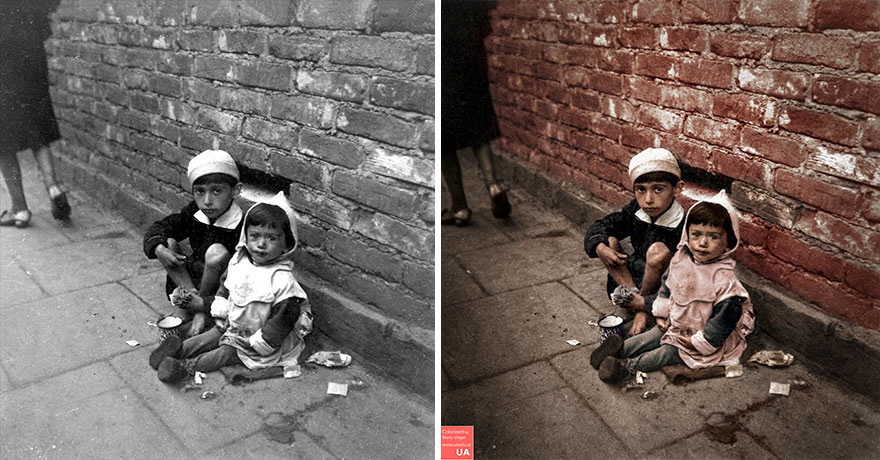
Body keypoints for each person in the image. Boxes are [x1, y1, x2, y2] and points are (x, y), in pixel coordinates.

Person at [590, 190, 755, 382]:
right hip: (676, 322)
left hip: (700, 335)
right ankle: (619, 349)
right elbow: (667, 288)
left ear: (728, 243)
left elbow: (723, 321)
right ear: (687, 235)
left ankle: (626, 367)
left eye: (713, 237)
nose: (702, 242)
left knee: (667, 352)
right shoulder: (682, 261)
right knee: (653, 335)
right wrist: (661, 314)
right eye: (696, 234)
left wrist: (697, 342)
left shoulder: (725, 283)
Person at [149, 192, 313, 383]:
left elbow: (282, 320)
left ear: (287, 244)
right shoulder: (239, 261)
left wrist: (260, 342)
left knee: (225, 353)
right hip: (234, 322)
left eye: (272, 238)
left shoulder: (283, 282)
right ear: (246, 236)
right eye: (255, 236)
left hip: (256, 337)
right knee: (211, 335)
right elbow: (225, 286)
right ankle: (178, 350)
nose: (261, 244)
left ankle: (186, 367)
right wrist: (221, 306)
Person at [584, 148, 685, 336]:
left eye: (658, 189)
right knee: (610, 240)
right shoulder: (636, 210)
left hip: (662, 289)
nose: (648, 200)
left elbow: (685, 277)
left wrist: (650, 303)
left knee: (658, 252)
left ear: (677, 189)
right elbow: (602, 225)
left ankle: (642, 308)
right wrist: (599, 246)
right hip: (630, 281)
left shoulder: (684, 225)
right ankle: (636, 302)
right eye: (641, 190)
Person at [142, 149, 243, 337]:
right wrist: (159, 247)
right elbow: (161, 227)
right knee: (168, 241)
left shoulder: (242, 225)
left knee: (216, 253)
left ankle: (199, 309)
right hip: (191, 280)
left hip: (219, 289)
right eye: (199, 192)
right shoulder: (195, 212)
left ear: (235, 190)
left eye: (217, 191)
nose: (207, 201)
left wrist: (206, 303)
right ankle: (190, 301)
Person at [0, 0, 72, 227]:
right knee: (36, 125)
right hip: (32, 53)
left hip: (3, 58)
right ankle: (53, 187)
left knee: (3, 140)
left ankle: (20, 209)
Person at [441, 0, 510, 226]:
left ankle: (460, 207)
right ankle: (493, 185)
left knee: (444, 138)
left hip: (443, 61)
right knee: (479, 127)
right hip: (471, 57)